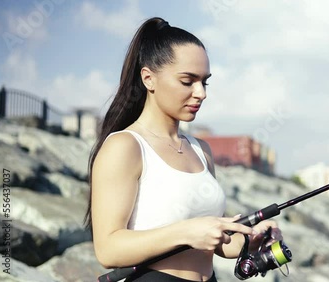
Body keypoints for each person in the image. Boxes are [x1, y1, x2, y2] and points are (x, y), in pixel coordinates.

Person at [84, 17, 282, 282]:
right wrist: (186, 231)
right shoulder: (126, 146)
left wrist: (251, 239)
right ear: (148, 79)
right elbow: (108, 250)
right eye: (188, 81)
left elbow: (217, 241)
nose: (201, 93)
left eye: (205, 82)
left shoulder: (201, 150)